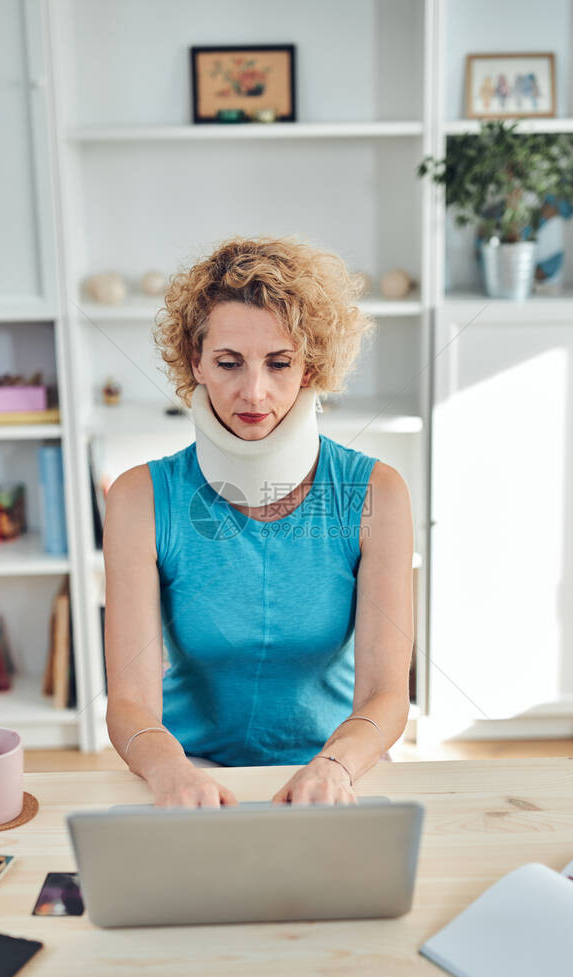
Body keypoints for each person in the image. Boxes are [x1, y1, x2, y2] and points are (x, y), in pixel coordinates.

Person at [103, 236, 414, 808]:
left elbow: (387, 694)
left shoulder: (378, 494)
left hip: (339, 764)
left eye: (279, 362)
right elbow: (128, 702)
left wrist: (335, 766)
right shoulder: (138, 498)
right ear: (194, 361)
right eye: (228, 363)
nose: (254, 392)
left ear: (310, 365)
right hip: (187, 767)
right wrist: (170, 770)